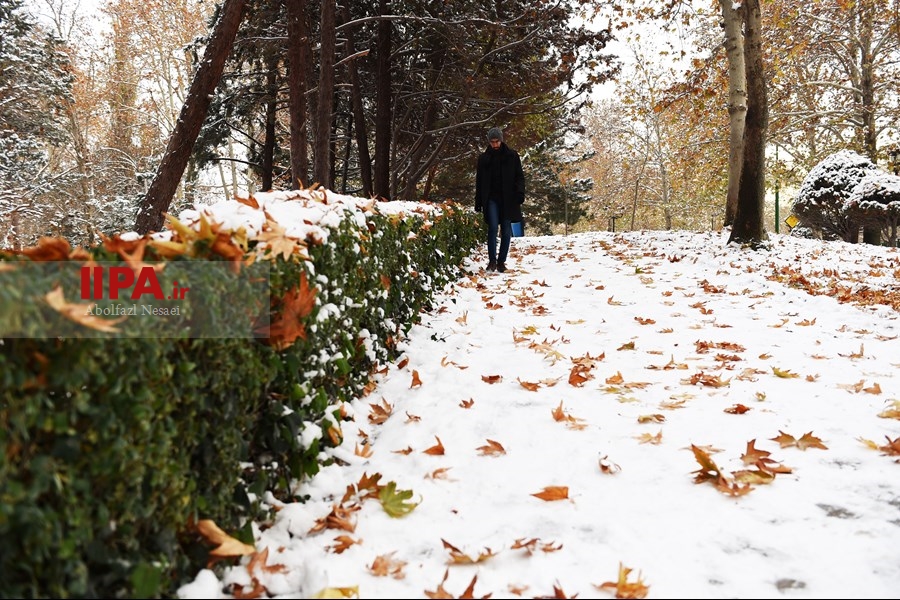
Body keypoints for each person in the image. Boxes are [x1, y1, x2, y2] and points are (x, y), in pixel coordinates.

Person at [474, 127, 525, 273]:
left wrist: (520, 193)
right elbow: (479, 181)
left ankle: (501, 261)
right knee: (493, 228)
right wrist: (478, 201)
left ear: (501, 140)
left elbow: (519, 177)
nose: (495, 144)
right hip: (491, 198)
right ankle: (492, 261)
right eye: (492, 142)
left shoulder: (512, 156)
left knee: (506, 230)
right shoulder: (484, 159)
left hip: (508, 198)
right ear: (489, 142)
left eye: (497, 141)